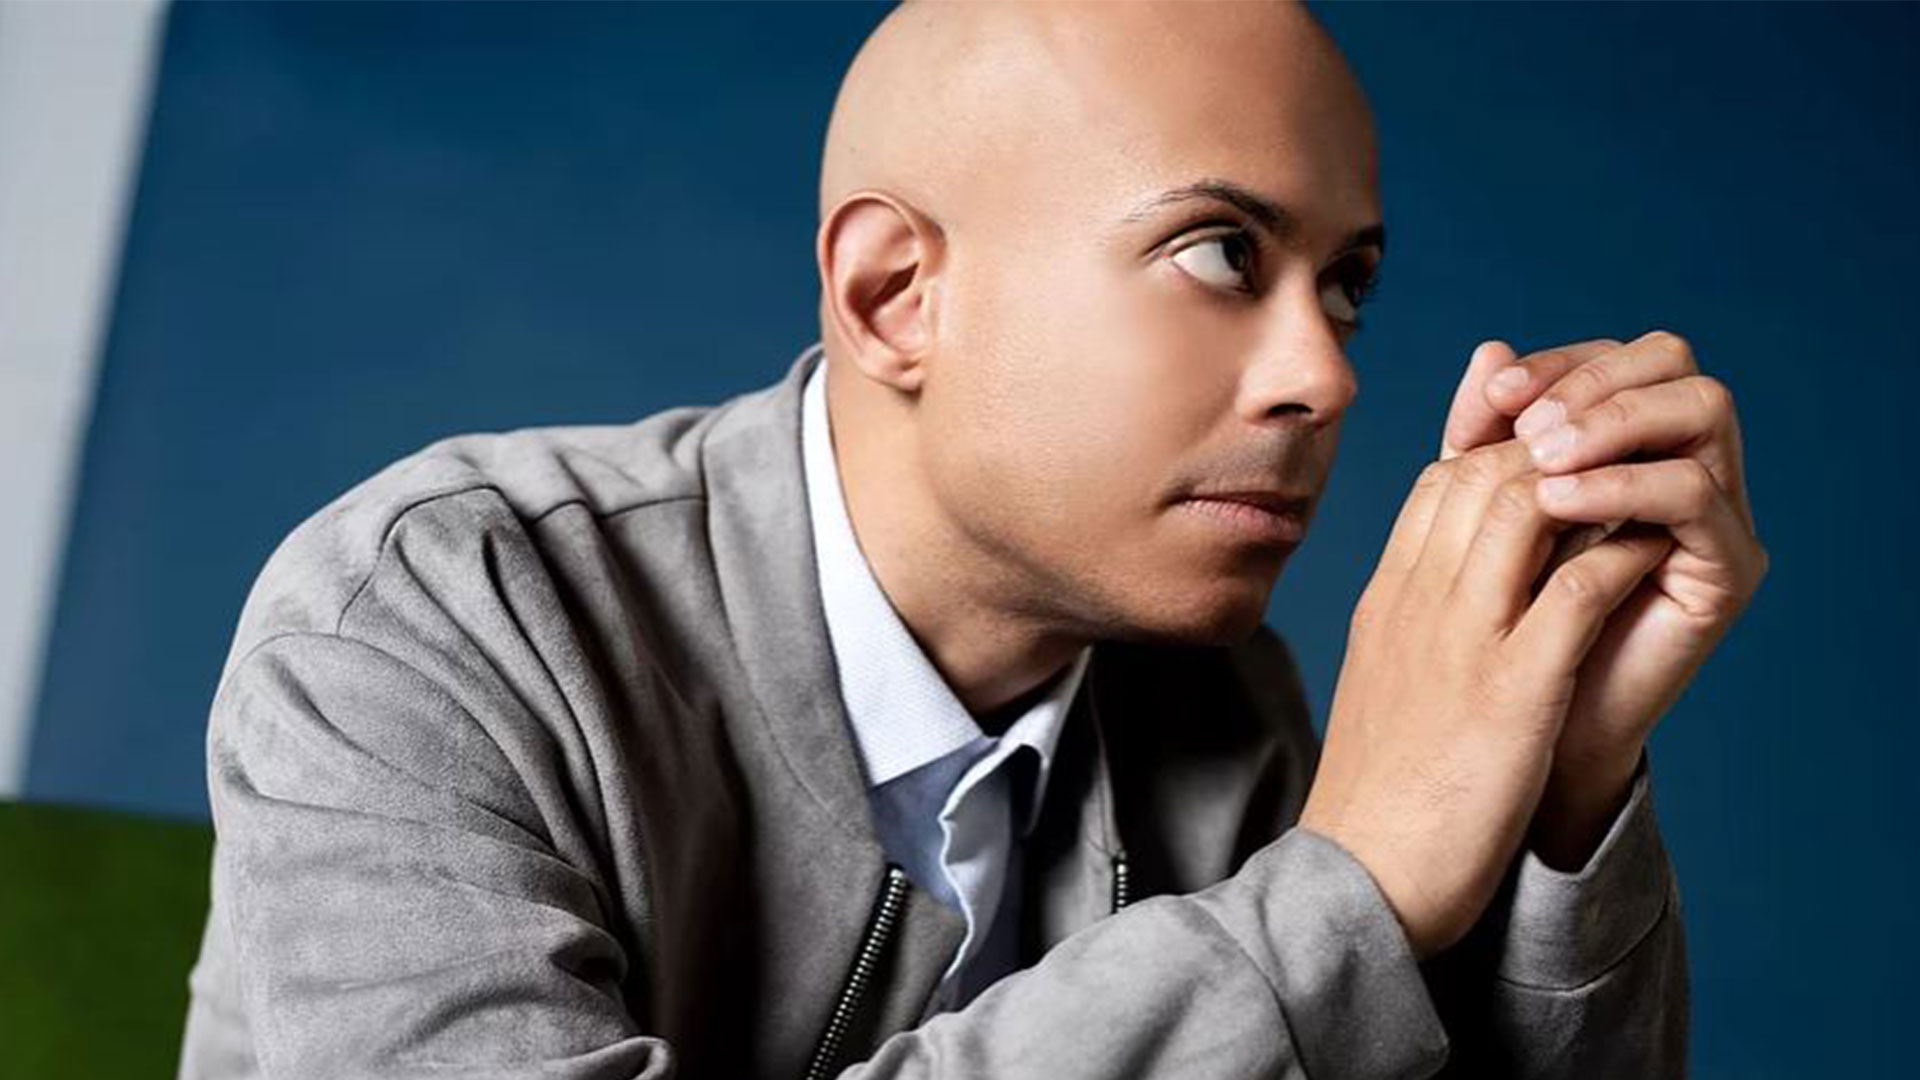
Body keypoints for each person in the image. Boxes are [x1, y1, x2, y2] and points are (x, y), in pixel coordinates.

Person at [176, 1, 1767, 1077]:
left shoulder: (1224, 715)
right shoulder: (435, 621)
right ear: (894, 297)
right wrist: (1344, 888)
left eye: (1345, 284)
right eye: (1222, 252)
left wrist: (1563, 792)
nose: (1328, 374)